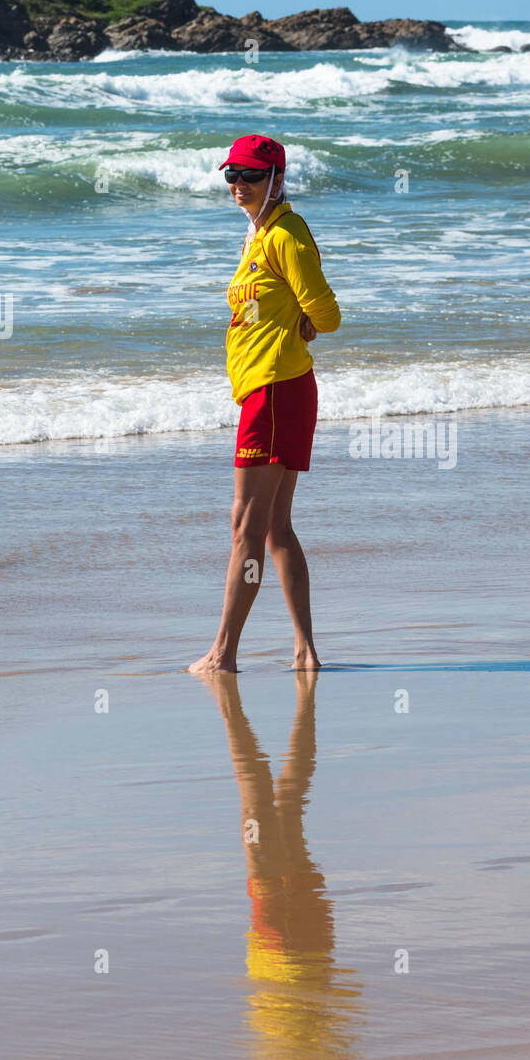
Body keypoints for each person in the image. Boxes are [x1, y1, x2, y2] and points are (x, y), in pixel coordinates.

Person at [190, 134, 341, 674]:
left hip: (276, 392)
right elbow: (266, 310)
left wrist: (304, 324)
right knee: (274, 526)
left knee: (247, 527)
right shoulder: (259, 233)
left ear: (276, 178)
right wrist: (285, 323)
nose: (238, 185)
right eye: (231, 175)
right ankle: (304, 651)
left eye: (250, 176)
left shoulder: (286, 234)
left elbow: (326, 310)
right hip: (268, 390)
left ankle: (224, 653)